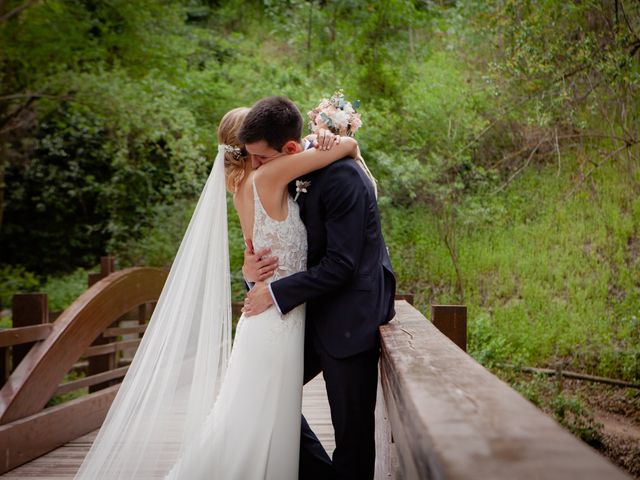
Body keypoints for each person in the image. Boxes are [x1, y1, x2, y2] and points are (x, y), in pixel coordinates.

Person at [74, 104, 360, 480]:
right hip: (276, 321)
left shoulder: (239, 184)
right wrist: (338, 137)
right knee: (262, 415)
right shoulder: (270, 175)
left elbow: (257, 250)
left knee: (258, 414)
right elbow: (346, 149)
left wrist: (248, 271)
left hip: (271, 316)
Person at [241, 96, 396, 480]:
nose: (254, 168)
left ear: (289, 149)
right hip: (311, 313)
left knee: (352, 436)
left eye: (260, 158)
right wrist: (252, 272)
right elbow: (285, 245)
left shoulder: (345, 179)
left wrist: (273, 294)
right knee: (263, 400)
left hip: (351, 318)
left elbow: (341, 265)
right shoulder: (300, 170)